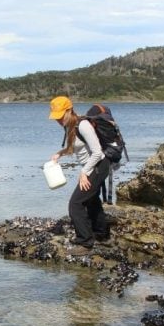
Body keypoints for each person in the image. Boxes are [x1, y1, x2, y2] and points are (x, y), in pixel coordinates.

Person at [48, 96, 111, 255]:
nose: (58, 120)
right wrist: (59, 154)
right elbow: (73, 149)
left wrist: (84, 172)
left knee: (75, 204)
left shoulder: (83, 125)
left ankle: (85, 242)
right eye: (56, 117)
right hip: (93, 167)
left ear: (69, 110)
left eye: (60, 116)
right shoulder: (70, 126)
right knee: (91, 201)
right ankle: (102, 234)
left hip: (98, 166)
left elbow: (97, 152)